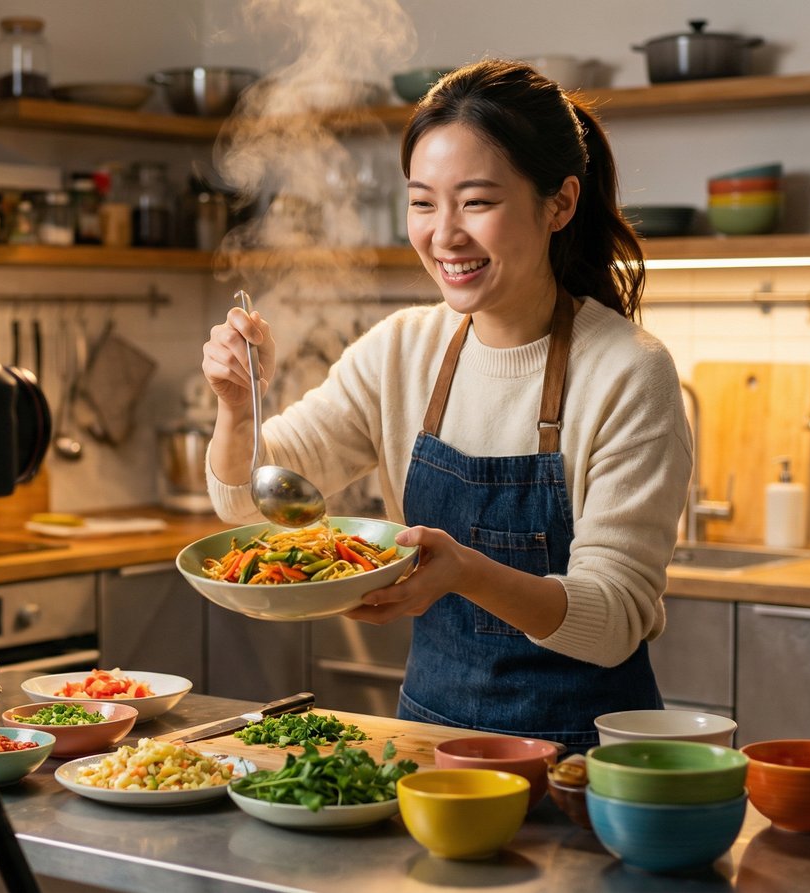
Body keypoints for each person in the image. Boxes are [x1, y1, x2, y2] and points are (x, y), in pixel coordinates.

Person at [199, 60, 692, 752]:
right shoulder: (402, 349)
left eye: (477, 202)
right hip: (430, 744)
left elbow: (612, 621)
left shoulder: (626, 371)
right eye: (424, 202)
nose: (444, 234)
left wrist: (466, 573)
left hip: (585, 764)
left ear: (560, 203)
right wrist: (237, 411)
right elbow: (251, 501)